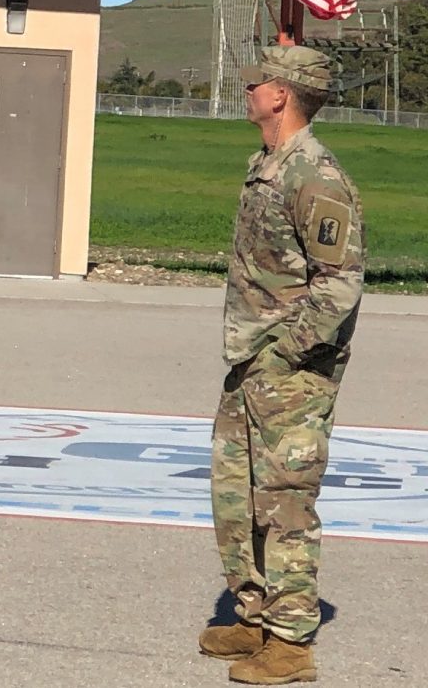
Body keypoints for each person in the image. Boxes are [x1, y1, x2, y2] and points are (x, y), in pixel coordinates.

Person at [198, 44, 363, 686]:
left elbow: (339, 285)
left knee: (285, 501)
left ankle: (291, 642)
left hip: (290, 374)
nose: (247, 91)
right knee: (235, 497)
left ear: (281, 96)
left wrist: (285, 351)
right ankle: (254, 614)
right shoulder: (268, 164)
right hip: (250, 364)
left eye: (256, 82)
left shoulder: (314, 176)